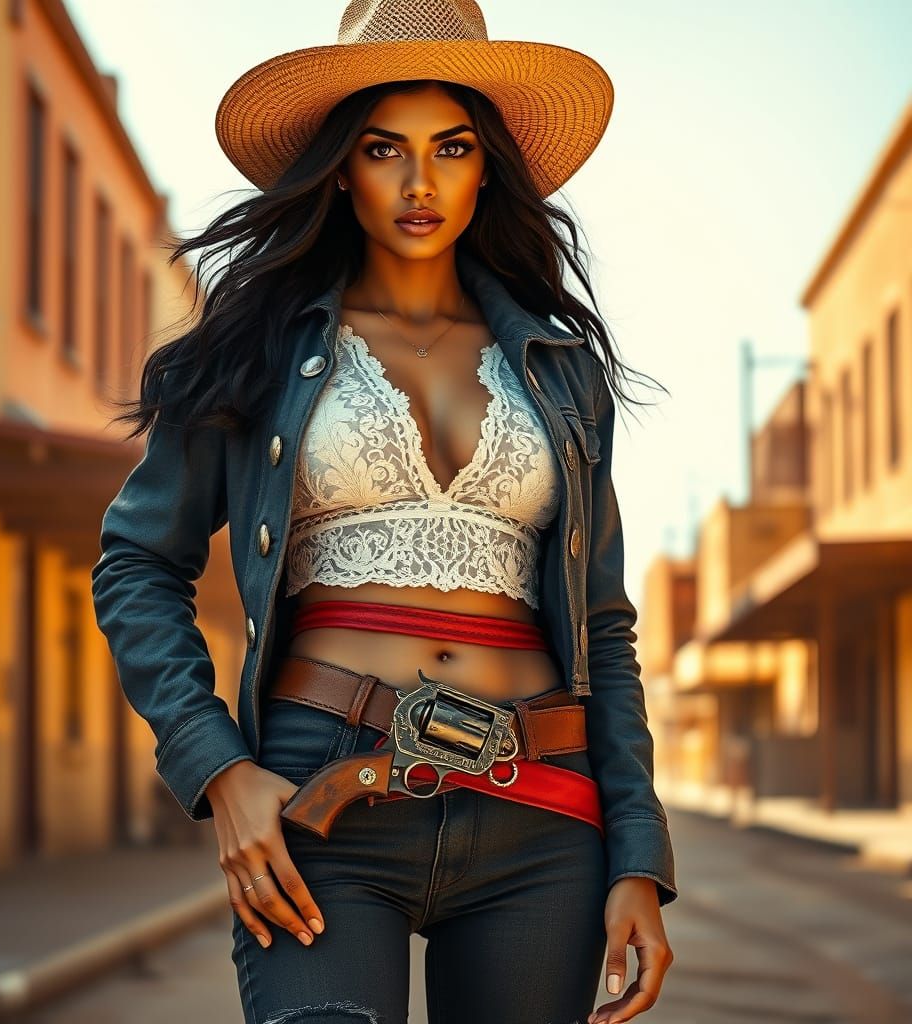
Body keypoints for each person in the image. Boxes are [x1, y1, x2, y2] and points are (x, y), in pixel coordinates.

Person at [91, 2, 677, 1021]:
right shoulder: (255, 348)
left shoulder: (559, 367)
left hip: (541, 807)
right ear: (340, 166)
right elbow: (137, 563)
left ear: (485, 165)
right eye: (382, 149)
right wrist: (218, 767)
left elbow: (605, 627)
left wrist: (637, 853)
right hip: (323, 795)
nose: (419, 183)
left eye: (450, 148)